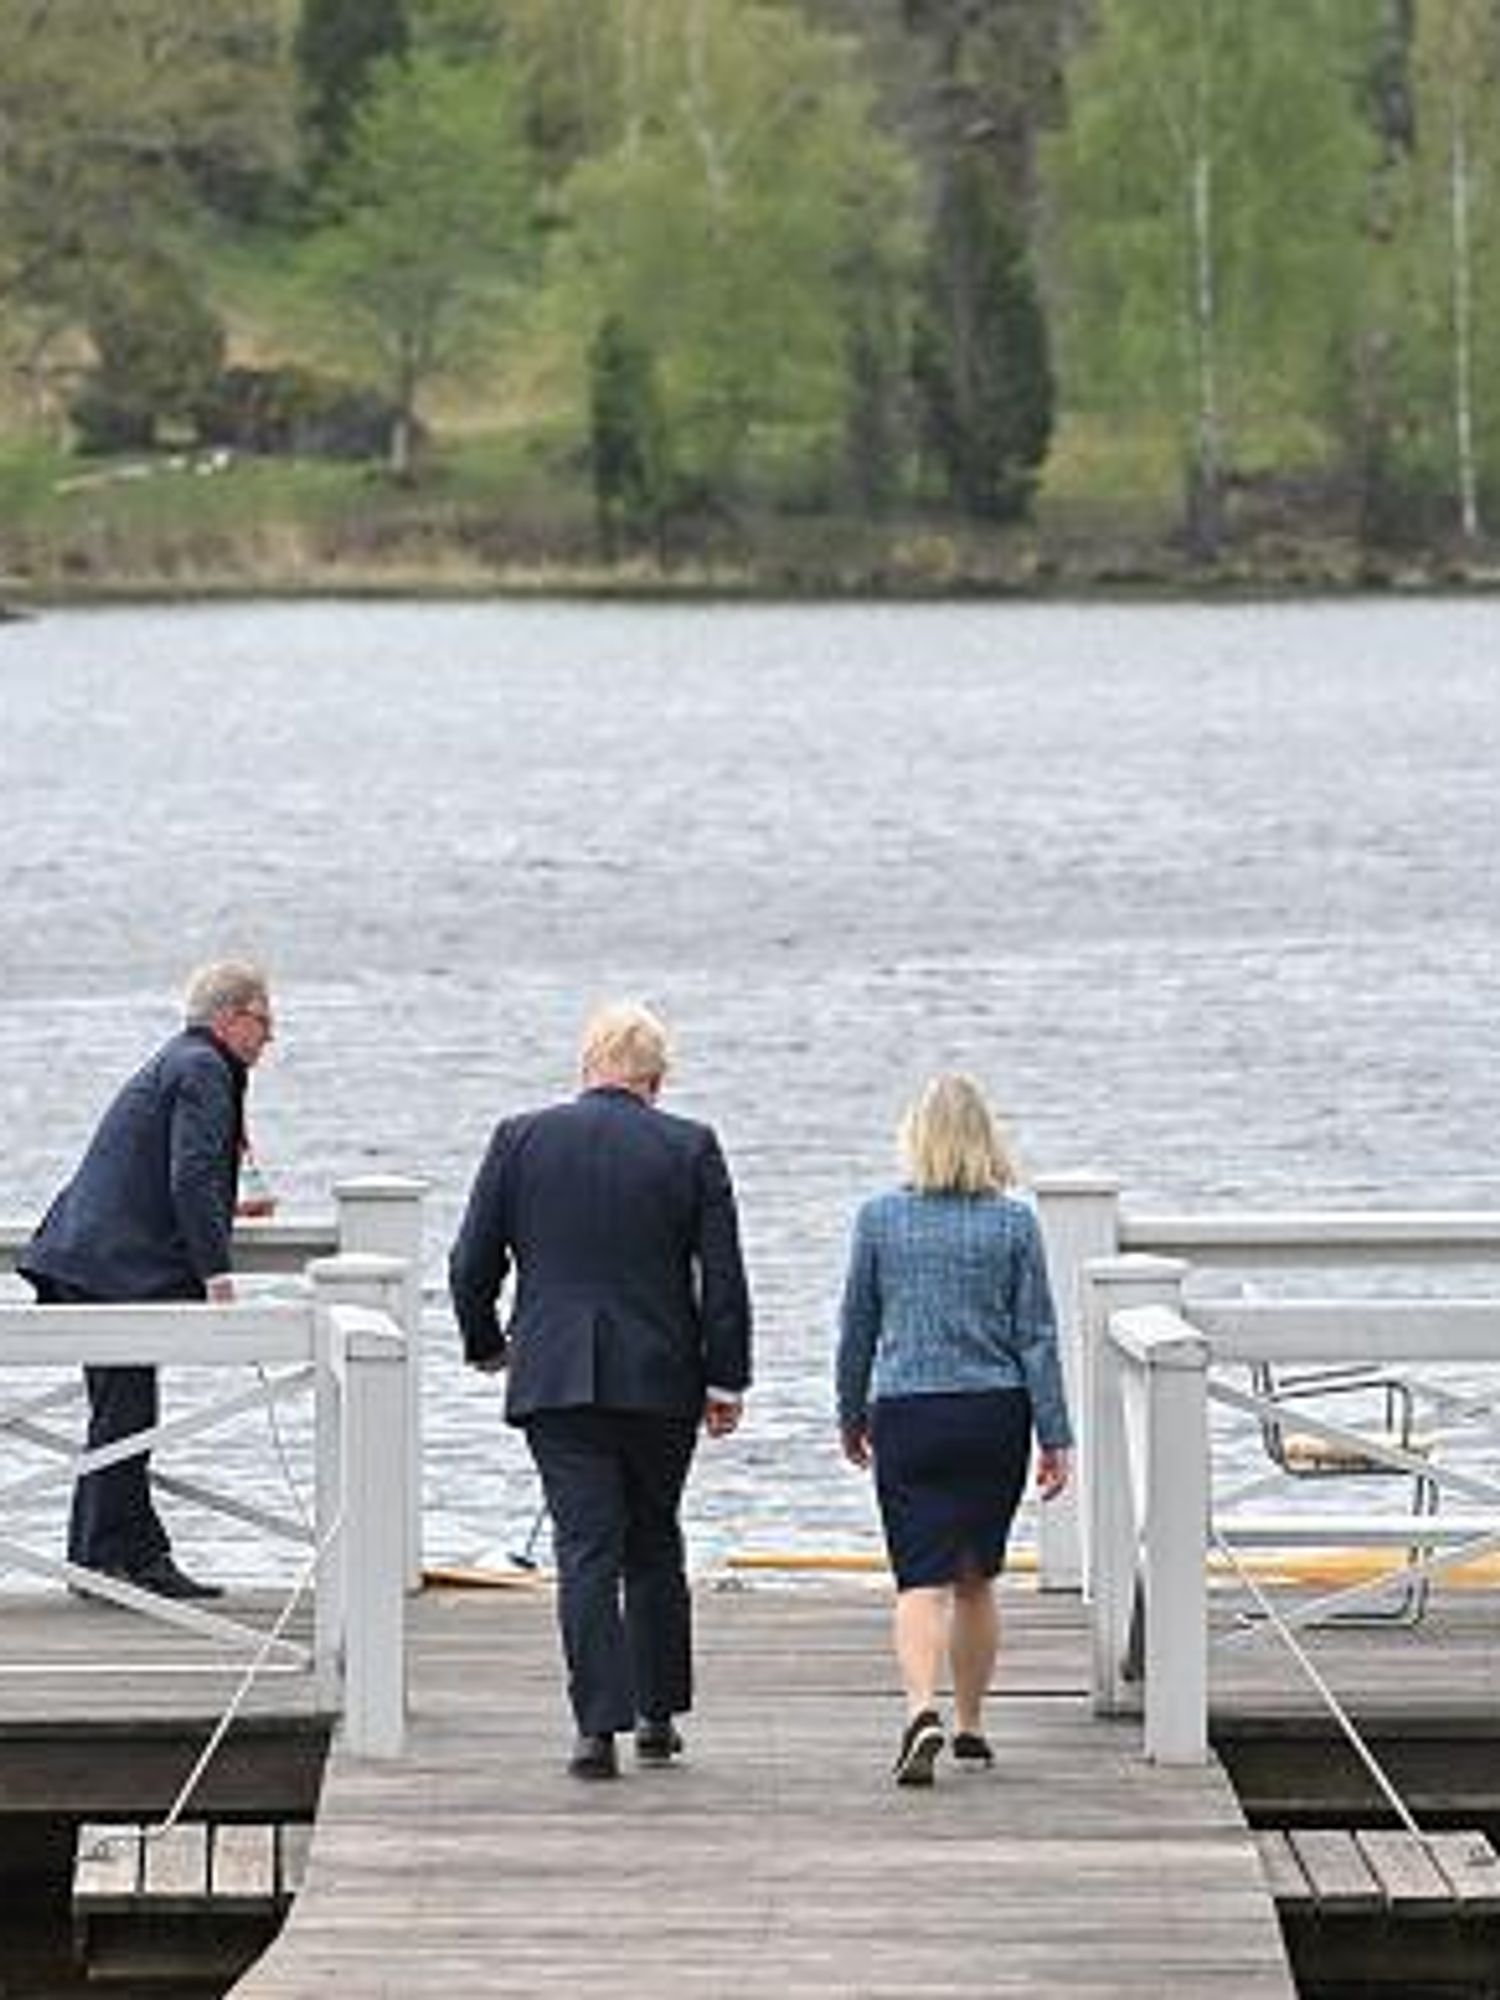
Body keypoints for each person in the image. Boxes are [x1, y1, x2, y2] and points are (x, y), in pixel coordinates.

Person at [449, 1001, 752, 1780]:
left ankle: (595, 1730)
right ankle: (656, 1715)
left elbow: (471, 1262)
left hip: (555, 1376)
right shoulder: (690, 1145)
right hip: (660, 1374)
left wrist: (487, 1345)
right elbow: (722, 1275)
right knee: (653, 1537)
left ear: (587, 1066)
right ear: (657, 1079)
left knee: (584, 1546)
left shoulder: (520, 1139)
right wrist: (726, 1376)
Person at [835, 1073, 1072, 1788]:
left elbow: (857, 1328)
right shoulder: (1013, 1224)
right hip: (993, 1413)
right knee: (974, 1578)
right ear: (984, 1140)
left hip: (910, 1411)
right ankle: (970, 1726)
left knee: (920, 1579)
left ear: (917, 1137)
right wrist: (1054, 1433)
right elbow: (1037, 1337)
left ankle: (920, 1710)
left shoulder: (879, 1219)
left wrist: (850, 1412)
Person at [20, 960, 276, 1600]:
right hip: (106, 1266)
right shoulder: (204, 1067)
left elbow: (173, 1173)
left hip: (87, 1256)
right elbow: (190, 1175)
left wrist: (226, 1212)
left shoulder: (183, 1060)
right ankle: (119, 1560)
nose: (269, 1036)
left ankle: (109, 1558)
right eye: (263, 1020)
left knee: (122, 1412)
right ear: (230, 1018)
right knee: (127, 1414)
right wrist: (217, 1273)